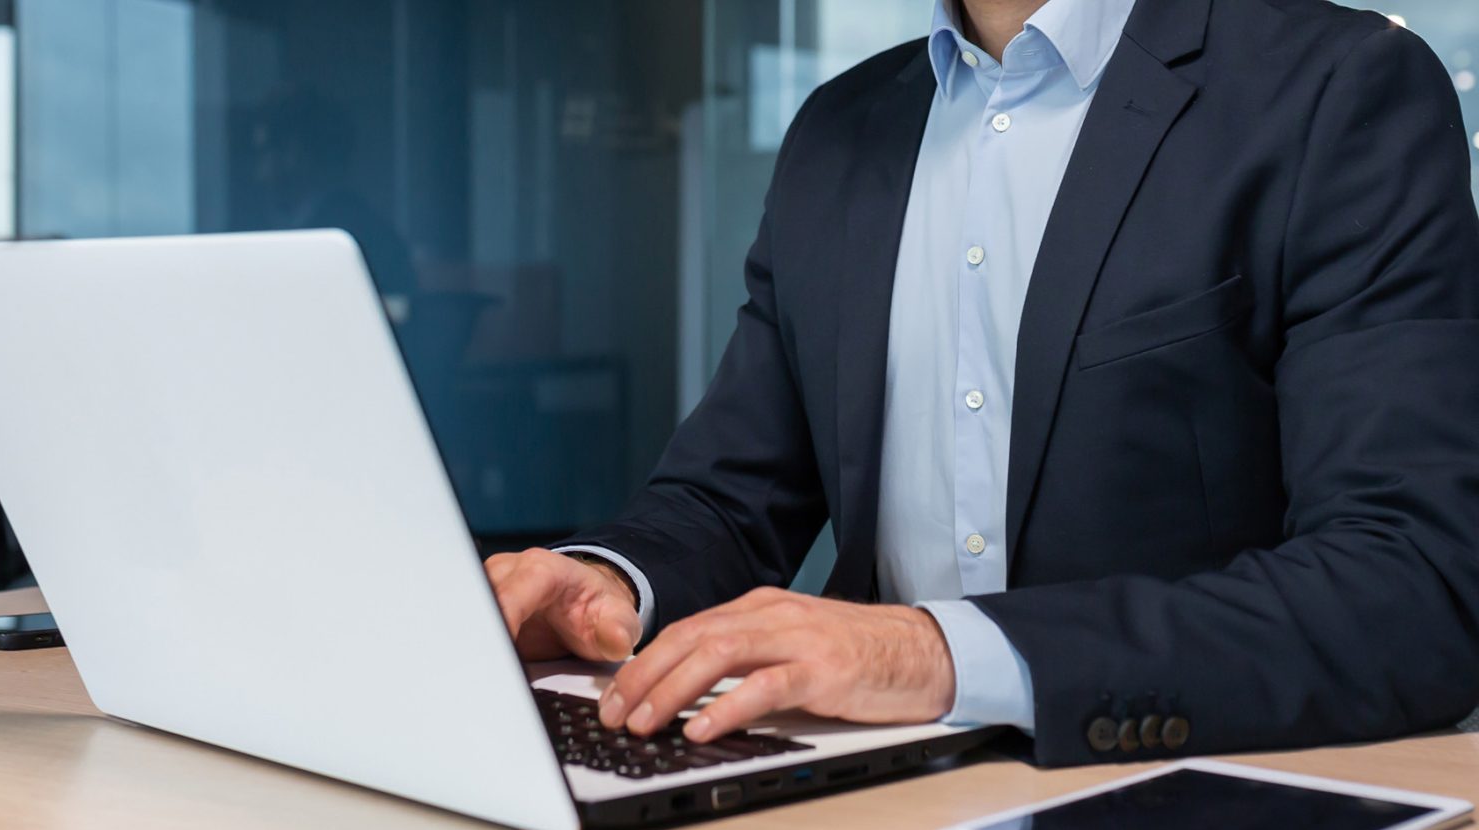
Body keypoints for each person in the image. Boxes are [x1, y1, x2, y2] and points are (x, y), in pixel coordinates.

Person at [484, 0, 1479, 767]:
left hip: (1179, 805)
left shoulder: (1335, 91)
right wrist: (609, 579)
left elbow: (1406, 590)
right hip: (862, 807)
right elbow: (728, 496)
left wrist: (934, 655)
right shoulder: (838, 132)